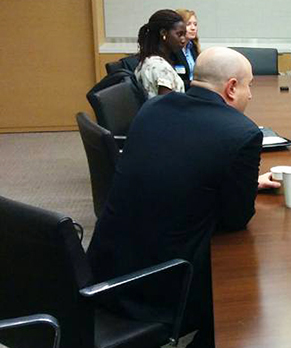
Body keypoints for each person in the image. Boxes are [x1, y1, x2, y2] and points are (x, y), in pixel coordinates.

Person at [87, 47, 280, 347]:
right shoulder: (241, 133)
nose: (251, 95)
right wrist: (239, 187)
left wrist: (245, 182)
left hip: (107, 266)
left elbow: (179, 170)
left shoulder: (153, 108)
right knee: (247, 295)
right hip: (160, 286)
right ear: (231, 88)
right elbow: (235, 220)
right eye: (249, 85)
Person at [134, 9, 188, 98]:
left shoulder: (149, 60)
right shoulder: (160, 67)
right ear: (164, 33)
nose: (183, 40)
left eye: (184, 35)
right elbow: (167, 107)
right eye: (179, 34)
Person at [175, 8, 200, 81]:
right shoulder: (173, 49)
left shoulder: (193, 47)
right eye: (188, 24)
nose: (193, 28)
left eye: (195, 24)